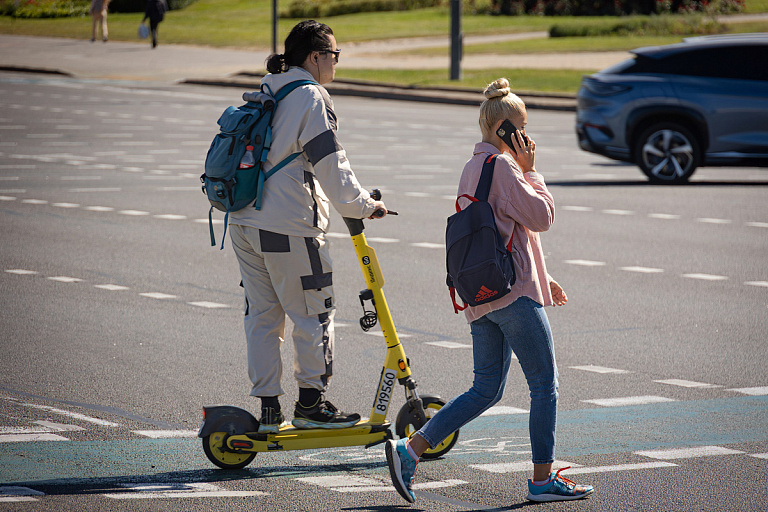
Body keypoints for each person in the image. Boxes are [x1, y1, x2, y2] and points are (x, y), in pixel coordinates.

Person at [385, 78, 594, 503]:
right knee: (544, 386)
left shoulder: (472, 166)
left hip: (483, 296)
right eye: (521, 126)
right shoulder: (505, 166)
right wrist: (531, 168)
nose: (526, 136)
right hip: (513, 295)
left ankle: (411, 449)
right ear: (503, 129)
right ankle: (541, 482)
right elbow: (540, 216)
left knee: (485, 389)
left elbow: (504, 230)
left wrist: (543, 273)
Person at [228, 20, 387, 433]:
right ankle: (312, 405)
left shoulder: (269, 89)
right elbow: (330, 164)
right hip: (289, 225)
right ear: (315, 57)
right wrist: (365, 206)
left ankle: (267, 410)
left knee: (262, 316)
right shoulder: (311, 97)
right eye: (333, 55)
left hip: (244, 221)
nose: (336, 62)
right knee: (314, 312)